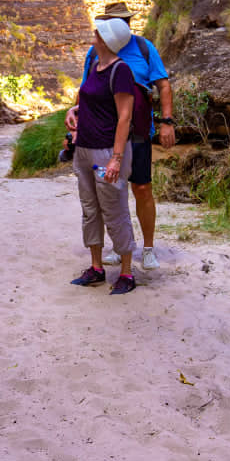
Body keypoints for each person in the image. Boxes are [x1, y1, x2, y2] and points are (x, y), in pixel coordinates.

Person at [66, 1, 175, 270]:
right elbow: (87, 90)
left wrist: (167, 121)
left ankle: (148, 248)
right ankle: (119, 247)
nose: (120, 25)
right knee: (110, 193)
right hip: (102, 136)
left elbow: (163, 85)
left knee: (141, 188)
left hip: (137, 132)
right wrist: (76, 113)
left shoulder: (143, 48)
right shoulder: (95, 52)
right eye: (114, 22)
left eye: (123, 20)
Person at [67, 15, 144, 295]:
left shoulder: (120, 71)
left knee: (114, 208)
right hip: (85, 151)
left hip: (106, 154)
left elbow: (124, 118)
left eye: (99, 32)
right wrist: (73, 111)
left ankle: (126, 271)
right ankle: (97, 267)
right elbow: (86, 99)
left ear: (108, 39)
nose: (94, 33)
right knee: (90, 209)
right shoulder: (95, 66)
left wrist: (116, 158)